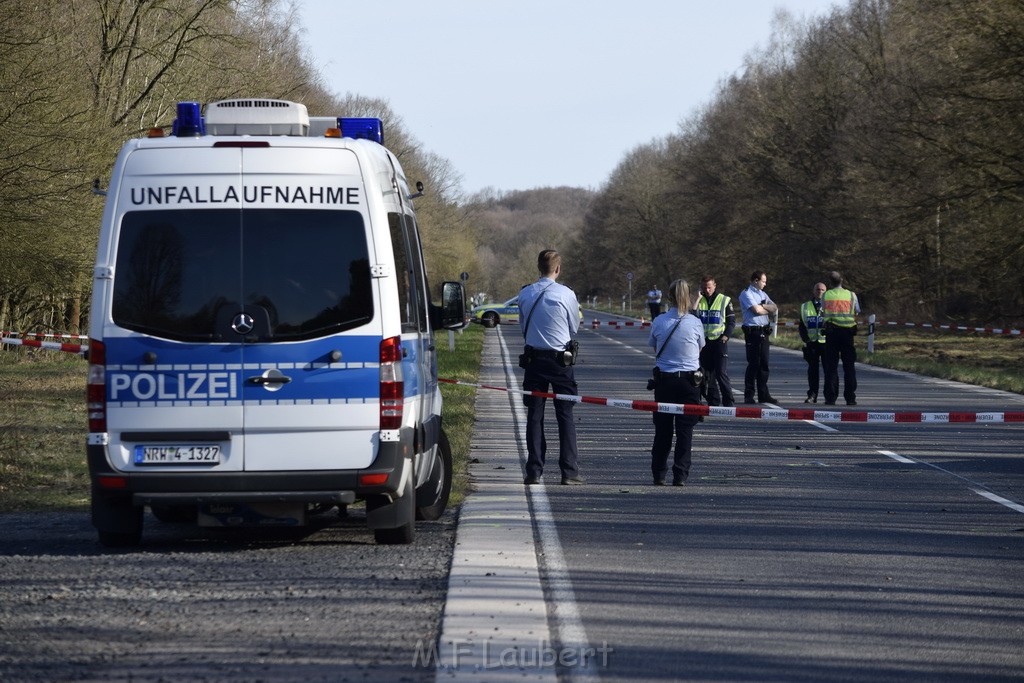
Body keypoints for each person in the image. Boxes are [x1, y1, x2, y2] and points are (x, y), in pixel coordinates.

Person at [519, 249, 584, 486]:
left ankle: (534, 471)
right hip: (560, 362)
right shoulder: (567, 294)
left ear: (539, 268)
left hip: (534, 361)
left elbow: (523, 326)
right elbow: (574, 327)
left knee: (534, 416)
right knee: (565, 415)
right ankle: (569, 471)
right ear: (558, 269)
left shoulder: (525, 294)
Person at [647, 279, 705, 486]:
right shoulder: (695, 322)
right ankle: (680, 475)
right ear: (689, 297)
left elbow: (654, 348)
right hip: (689, 383)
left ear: (669, 297)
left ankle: (659, 474)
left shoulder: (660, 321)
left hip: (665, 381)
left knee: (662, 431)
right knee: (685, 432)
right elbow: (699, 350)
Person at [738, 270, 779, 404]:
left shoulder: (762, 294)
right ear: (756, 280)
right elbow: (757, 311)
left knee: (764, 364)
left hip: (764, 331)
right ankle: (749, 395)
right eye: (763, 281)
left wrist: (763, 306)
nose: (765, 284)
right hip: (753, 333)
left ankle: (763, 394)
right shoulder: (746, 293)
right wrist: (763, 308)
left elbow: (774, 307)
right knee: (754, 364)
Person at [822, 270, 861, 406]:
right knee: (849, 366)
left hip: (832, 334)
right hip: (847, 334)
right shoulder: (851, 295)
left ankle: (830, 398)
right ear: (842, 280)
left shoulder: (826, 295)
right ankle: (850, 398)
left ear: (830, 282)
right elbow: (857, 311)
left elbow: (824, 311)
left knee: (831, 367)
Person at [695, 275, 735, 406]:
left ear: (715, 286)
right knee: (706, 375)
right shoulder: (699, 300)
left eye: (709, 287)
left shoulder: (724, 300)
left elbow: (731, 322)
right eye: (704, 287)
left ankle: (728, 402)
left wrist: (726, 336)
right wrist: (697, 299)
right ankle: (713, 401)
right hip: (704, 343)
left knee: (720, 373)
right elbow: (693, 317)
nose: (707, 290)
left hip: (719, 341)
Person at [798, 282, 827, 403]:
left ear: (826, 292)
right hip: (812, 343)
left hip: (826, 343)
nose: (819, 291)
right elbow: (802, 326)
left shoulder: (830, 306)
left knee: (829, 371)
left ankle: (829, 396)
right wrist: (806, 340)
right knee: (812, 371)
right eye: (817, 289)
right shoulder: (805, 306)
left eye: (822, 290)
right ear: (813, 291)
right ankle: (812, 395)